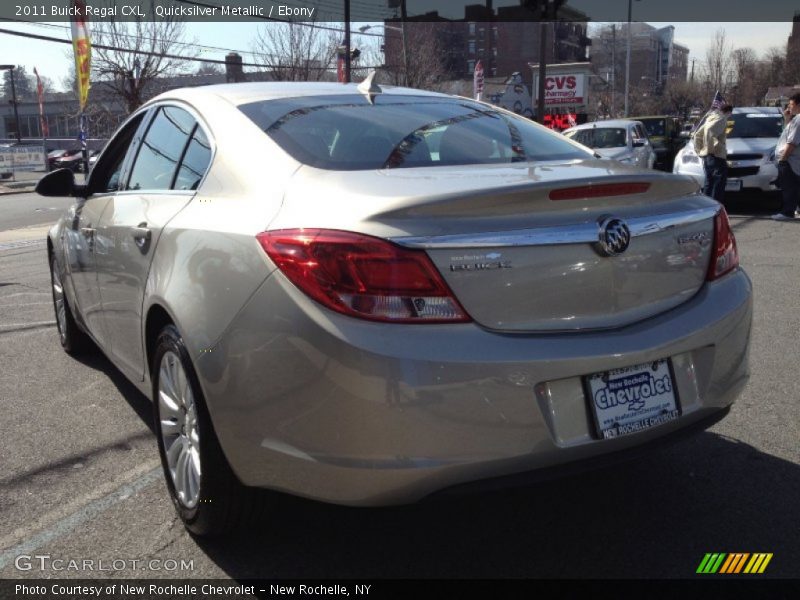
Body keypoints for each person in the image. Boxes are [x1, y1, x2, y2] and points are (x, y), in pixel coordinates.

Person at [695, 103, 734, 202]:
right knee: (718, 184)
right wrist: (719, 150)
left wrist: (699, 150)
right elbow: (712, 136)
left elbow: (698, 135)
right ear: (728, 112)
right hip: (716, 156)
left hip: (707, 156)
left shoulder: (710, 118)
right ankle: (715, 208)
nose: (730, 116)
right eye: (730, 113)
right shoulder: (721, 120)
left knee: (709, 182)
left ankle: (705, 206)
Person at [771, 93, 800, 221]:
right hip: (791, 160)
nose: (789, 107)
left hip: (790, 160)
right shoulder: (795, 119)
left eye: (791, 104)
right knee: (795, 186)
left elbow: (792, 142)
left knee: (789, 187)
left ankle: (787, 212)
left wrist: (783, 159)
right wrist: (787, 118)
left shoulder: (799, 120)